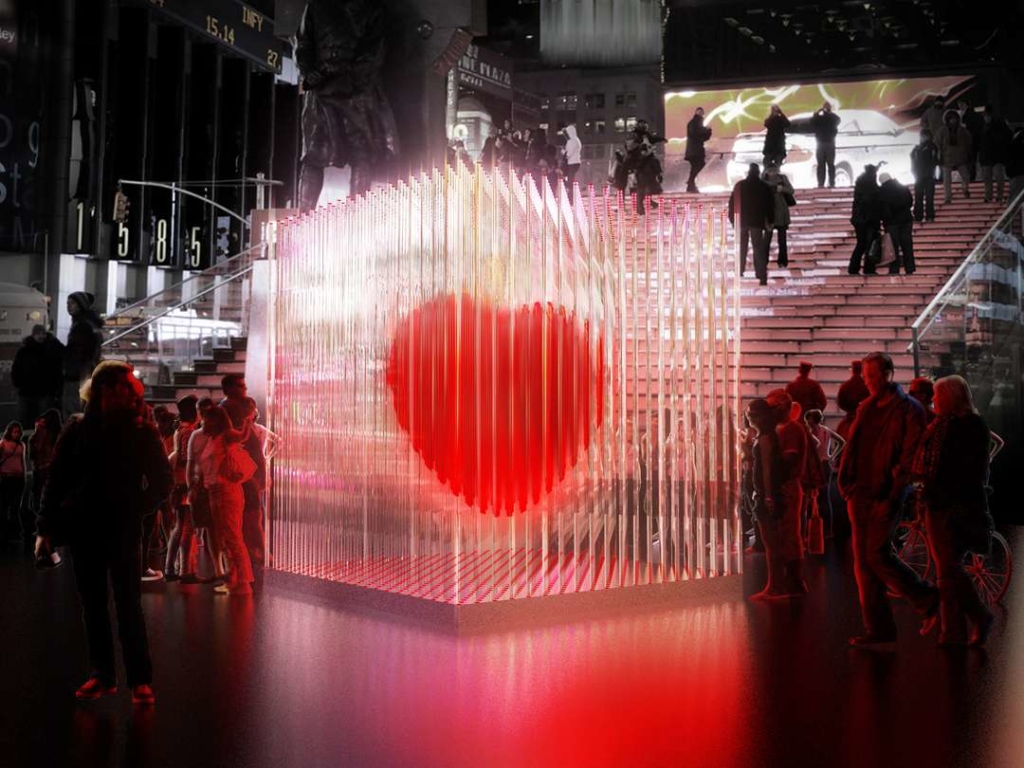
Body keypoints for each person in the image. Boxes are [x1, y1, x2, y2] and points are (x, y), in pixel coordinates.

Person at [35, 360, 171, 703]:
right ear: (101, 390)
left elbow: (162, 482)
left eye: (124, 387)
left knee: (124, 606)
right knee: (98, 606)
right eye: (114, 387)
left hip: (114, 528)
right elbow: (56, 479)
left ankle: (130, 679)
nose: (120, 393)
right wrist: (44, 528)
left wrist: (137, 508)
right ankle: (115, 677)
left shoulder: (138, 430)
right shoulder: (83, 428)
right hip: (93, 529)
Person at [837, 352, 938, 646]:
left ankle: (927, 599)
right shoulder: (866, 407)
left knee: (875, 556)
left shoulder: (908, 409)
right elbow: (854, 448)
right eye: (866, 376)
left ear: (887, 374)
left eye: (871, 376)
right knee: (863, 563)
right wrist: (847, 483)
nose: (867, 381)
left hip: (884, 493)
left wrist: (894, 488)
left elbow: (910, 455)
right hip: (860, 492)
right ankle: (879, 630)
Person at [913, 375, 996, 647]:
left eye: (938, 395)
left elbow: (968, 468)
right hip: (937, 501)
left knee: (948, 569)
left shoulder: (968, 425)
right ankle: (952, 631)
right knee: (945, 571)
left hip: (955, 503)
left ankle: (976, 618)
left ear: (950, 397)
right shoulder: (941, 424)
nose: (934, 400)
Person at [294, 0, 399, 209]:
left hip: (356, 93)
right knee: (314, 154)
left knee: (361, 154)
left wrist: (347, 75)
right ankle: (303, 214)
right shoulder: (315, 6)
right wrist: (311, 74)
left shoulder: (373, 8)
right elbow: (303, 46)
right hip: (322, 91)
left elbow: (373, 53)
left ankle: (356, 216)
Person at [752, 390, 808, 599]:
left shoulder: (791, 430)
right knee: (783, 537)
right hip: (782, 488)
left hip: (787, 488)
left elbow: (789, 460)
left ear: (782, 407)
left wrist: (770, 458)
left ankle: (793, 581)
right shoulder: (779, 430)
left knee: (789, 536)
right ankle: (789, 582)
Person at [195, 406, 254, 596]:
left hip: (226, 492)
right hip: (215, 493)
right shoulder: (213, 439)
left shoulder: (225, 436)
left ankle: (243, 582)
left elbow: (242, 436)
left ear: (215, 420)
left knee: (233, 537)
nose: (202, 421)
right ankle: (234, 579)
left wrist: (247, 421)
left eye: (205, 418)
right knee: (226, 538)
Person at [222, 397, 267, 589]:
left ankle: (255, 560)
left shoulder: (244, 434)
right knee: (247, 524)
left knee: (247, 524)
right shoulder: (242, 433)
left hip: (245, 484)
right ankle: (253, 560)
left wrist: (260, 480)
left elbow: (258, 459)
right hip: (245, 484)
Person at [187, 397, 225, 585]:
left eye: (207, 413)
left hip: (219, 486)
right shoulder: (196, 436)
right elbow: (191, 464)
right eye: (201, 413)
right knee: (211, 528)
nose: (204, 417)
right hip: (204, 486)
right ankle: (219, 570)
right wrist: (191, 487)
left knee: (221, 529)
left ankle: (226, 571)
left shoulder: (222, 436)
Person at [165, 395, 200, 582]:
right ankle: (186, 571)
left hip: (178, 483)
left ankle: (170, 568)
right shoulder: (189, 432)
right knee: (187, 528)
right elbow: (187, 460)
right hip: (185, 484)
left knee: (179, 527)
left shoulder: (180, 429)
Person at [728, 163, 775, 285]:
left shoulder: (740, 185)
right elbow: (770, 205)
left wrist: (732, 219)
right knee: (758, 248)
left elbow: (732, 203)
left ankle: (739, 271)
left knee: (741, 247)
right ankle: (761, 274)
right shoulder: (764, 186)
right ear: (758, 173)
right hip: (757, 222)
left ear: (748, 173)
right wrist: (770, 220)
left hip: (741, 221)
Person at [11, 324, 64, 427]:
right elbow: (16, 369)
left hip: (41, 391)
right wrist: (18, 383)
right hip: (28, 391)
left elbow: (56, 370)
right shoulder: (25, 351)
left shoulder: (49, 350)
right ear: (33, 335)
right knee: (26, 418)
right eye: (38, 334)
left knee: (38, 420)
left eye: (43, 333)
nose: (41, 336)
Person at [63, 292, 105, 417]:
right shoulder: (90, 323)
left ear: (81, 305)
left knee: (73, 409)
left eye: (72, 303)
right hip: (86, 372)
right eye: (67, 303)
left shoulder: (82, 325)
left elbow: (79, 351)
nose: (69, 306)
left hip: (78, 374)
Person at [28, 409, 62, 524]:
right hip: (47, 467)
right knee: (46, 494)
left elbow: (35, 452)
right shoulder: (56, 433)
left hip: (43, 467)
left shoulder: (44, 434)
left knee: (41, 494)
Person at [877, 172, 915, 275]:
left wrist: (883, 218)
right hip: (906, 221)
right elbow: (910, 202)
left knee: (893, 248)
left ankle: (894, 269)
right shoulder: (902, 187)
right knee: (907, 245)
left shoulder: (882, 191)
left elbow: (881, 208)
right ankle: (910, 268)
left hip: (891, 223)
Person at [848, 165, 881, 275]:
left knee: (861, 244)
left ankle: (853, 268)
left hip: (859, 220)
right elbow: (872, 202)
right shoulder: (871, 186)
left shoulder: (860, 183)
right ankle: (868, 269)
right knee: (869, 245)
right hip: (868, 220)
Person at [936, 109, 973, 204]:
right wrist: (939, 156)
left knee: (966, 177)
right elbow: (937, 144)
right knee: (947, 181)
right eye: (951, 118)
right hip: (946, 159)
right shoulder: (942, 131)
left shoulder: (962, 130)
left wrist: (967, 153)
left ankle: (964, 189)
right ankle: (948, 198)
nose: (953, 120)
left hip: (960, 158)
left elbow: (969, 141)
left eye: (954, 118)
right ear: (947, 119)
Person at [762, 164, 795, 268]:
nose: (772, 173)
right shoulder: (762, 181)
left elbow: (791, 190)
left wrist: (781, 188)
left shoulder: (782, 178)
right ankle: (763, 261)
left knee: (782, 240)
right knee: (766, 240)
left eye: (774, 171)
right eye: (770, 171)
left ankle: (782, 262)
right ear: (766, 171)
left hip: (781, 212)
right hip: (769, 213)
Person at [979, 105, 1011, 203]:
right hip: (987, 155)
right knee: (988, 177)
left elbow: (1007, 137)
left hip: (996, 155)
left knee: (997, 176)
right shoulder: (982, 126)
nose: (986, 118)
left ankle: (998, 195)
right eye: (985, 116)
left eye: (988, 116)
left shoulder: (998, 125)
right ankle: (989, 196)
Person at [1, 421, 27, 541]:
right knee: (5, 505)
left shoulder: (21, 445)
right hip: (6, 478)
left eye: (18, 432)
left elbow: (23, 461)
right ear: (10, 432)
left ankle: (16, 531)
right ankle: (5, 530)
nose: (16, 434)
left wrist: (24, 476)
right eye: (14, 432)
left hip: (18, 478)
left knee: (16, 507)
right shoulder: (3, 443)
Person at [911, 128, 940, 222]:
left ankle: (928, 216)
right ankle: (919, 216)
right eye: (922, 136)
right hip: (919, 176)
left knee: (928, 197)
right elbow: (913, 161)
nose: (923, 138)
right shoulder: (917, 148)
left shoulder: (932, 147)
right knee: (919, 197)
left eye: (925, 136)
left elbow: (935, 161)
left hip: (928, 176)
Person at [836, 360, 870, 440]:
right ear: (862, 371)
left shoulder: (845, 385)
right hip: (863, 417)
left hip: (850, 416)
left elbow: (840, 402)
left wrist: (849, 409)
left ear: (852, 370)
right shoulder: (867, 385)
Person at [810, 102, 841, 188]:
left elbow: (812, 121)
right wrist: (829, 112)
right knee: (830, 165)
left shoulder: (820, 118)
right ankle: (831, 183)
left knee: (821, 165)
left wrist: (818, 113)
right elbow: (838, 119)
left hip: (821, 143)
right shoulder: (832, 118)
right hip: (829, 143)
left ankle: (821, 184)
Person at [684, 107, 712, 193]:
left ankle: (690, 185)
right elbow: (697, 134)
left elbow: (702, 137)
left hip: (694, 150)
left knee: (695, 167)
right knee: (699, 164)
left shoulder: (696, 123)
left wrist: (707, 131)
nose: (701, 114)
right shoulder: (694, 123)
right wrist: (706, 130)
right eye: (699, 112)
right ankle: (690, 182)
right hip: (695, 150)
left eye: (701, 112)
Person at [957, 99, 983, 181]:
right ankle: (970, 176)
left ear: (966, 104)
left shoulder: (969, 114)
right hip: (970, 140)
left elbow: (971, 127)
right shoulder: (967, 114)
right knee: (970, 159)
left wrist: (964, 126)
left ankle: (970, 176)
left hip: (970, 141)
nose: (960, 106)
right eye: (959, 104)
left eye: (961, 104)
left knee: (969, 159)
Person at [762, 105, 790, 170]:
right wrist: (772, 115)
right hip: (770, 146)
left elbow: (787, 124)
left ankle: (775, 173)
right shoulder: (769, 119)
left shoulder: (781, 120)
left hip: (779, 146)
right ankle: (767, 174)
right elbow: (766, 124)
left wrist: (781, 114)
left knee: (778, 163)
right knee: (766, 163)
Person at [1007, 127, 1024, 203]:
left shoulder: (1012, 144)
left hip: (1015, 172)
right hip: (1017, 171)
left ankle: (1012, 207)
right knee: (1016, 192)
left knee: (1014, 192)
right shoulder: (1015, 144)